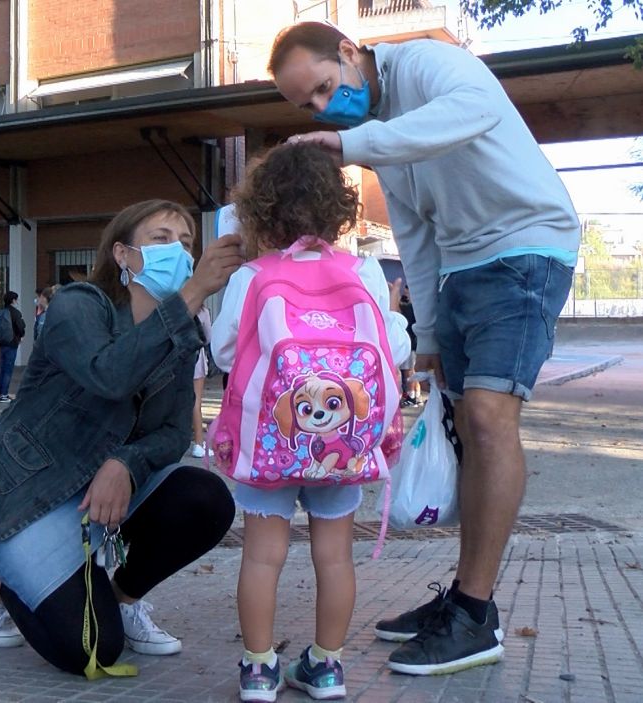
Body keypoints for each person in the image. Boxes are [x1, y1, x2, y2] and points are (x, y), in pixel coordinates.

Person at [269, 22, 578, 675]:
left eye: (326, 88)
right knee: (467, 423)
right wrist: (430, 335)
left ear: (351, 52)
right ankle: (467, 601)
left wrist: (352, 142)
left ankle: (473, 614)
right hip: (462, 267)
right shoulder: (384, 135)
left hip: (525, 246)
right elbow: (416, 233)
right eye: (309, 106)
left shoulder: (429, 65)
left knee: (492, 419)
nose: (324, 109)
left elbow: (474, 113)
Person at [0, 199, 241, 677]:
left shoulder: (182, 334)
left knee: (205, 498)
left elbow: (175, 432)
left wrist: (126, 463)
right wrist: (193, 292)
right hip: (24, 499)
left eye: (187, 243)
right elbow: (108, 374)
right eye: (161, 239)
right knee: (93, 649)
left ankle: (120, 597)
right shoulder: (78, 305)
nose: (179, 251)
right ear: (123, 255)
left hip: (102, 496)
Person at [210, 144, 411, 701]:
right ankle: (326, 667)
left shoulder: (252, 275)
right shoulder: (364, 270)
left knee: (261, 555)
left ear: (259, 212)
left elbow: (225, 354)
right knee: (334, 554)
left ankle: (257, 669)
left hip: (267, 444)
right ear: (338, 210)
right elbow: (391, 346)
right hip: (343, 447)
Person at [189, 305, 212, 459]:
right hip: (196, 357)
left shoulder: (174, 305)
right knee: (196, 401)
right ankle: (198, 443)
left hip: (175, 357)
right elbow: (208, 337)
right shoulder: (202, 312)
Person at [0, 291, 25, 403]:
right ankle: (4, 394)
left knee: (3, 368)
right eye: (16, 299)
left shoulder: (1, 312)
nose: (17, 301)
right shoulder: (15, 313)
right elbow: (20, 327)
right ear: (13, 300)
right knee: (8, 369)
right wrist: (21, 336)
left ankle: (1, 392)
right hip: (12, 343)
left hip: (2, 343)